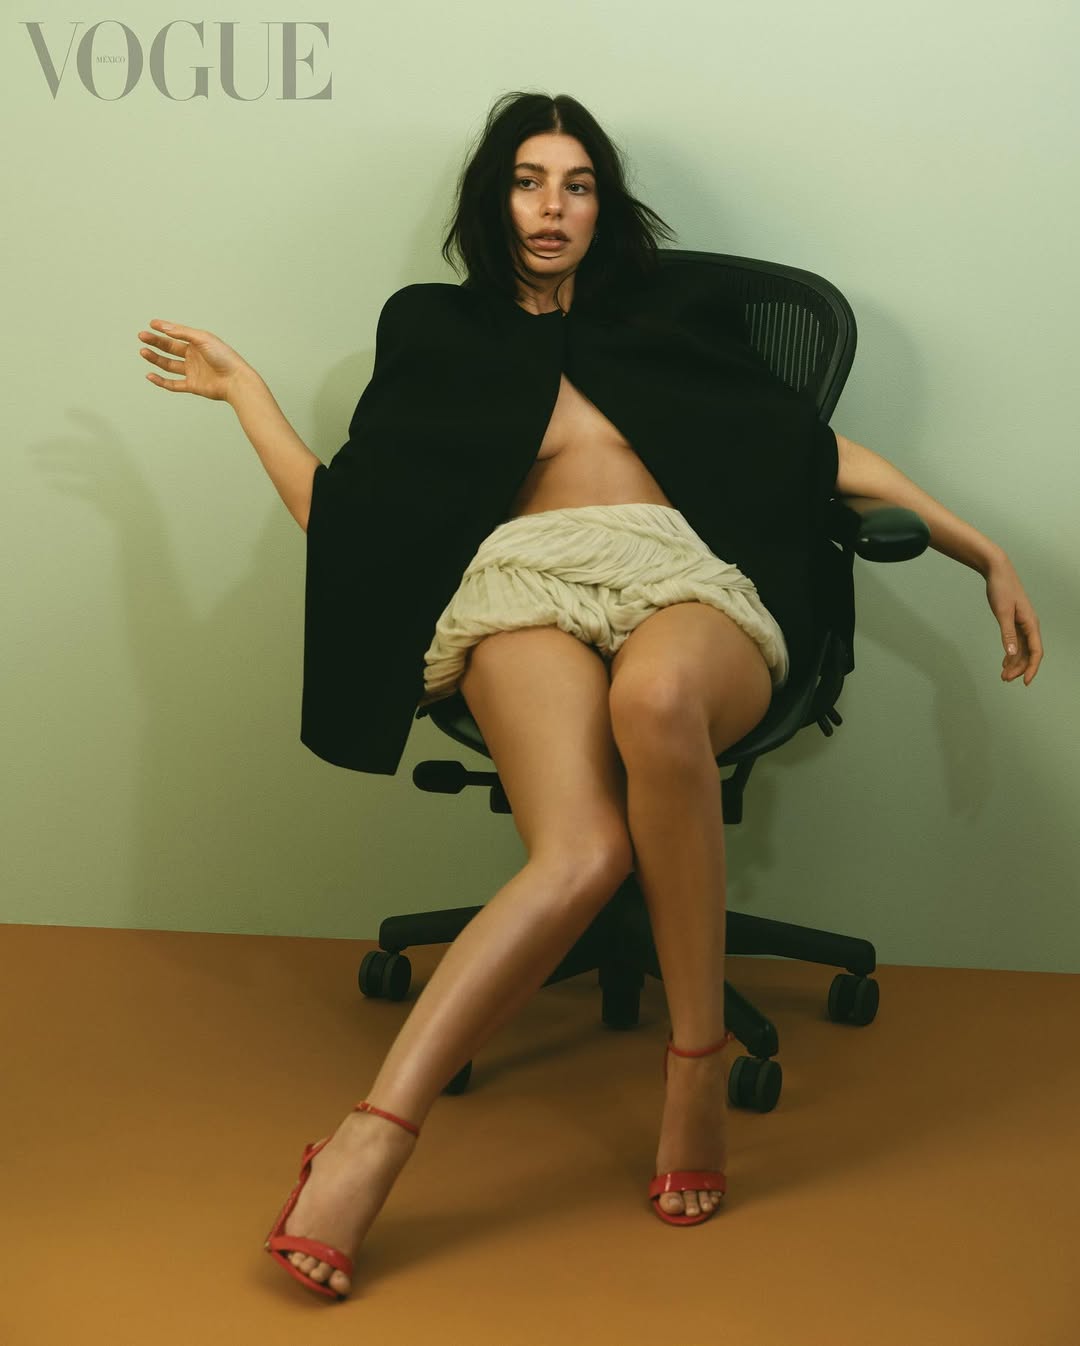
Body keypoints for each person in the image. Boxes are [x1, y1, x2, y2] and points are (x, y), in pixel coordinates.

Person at [137, 91, 1043, 1301]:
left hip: (681, 575)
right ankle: (369, 1136)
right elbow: (351, 519)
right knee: (580, 853)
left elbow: (811, 455)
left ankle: (695, 1061)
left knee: (657, 701)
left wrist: (980, 547)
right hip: (521, 586)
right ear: (493, 198)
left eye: (576, 184)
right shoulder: (433, 328)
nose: (551, 207)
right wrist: (245, 390)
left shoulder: (669, 319)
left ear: (604, 206)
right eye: (528, 181)